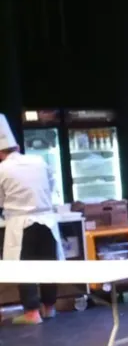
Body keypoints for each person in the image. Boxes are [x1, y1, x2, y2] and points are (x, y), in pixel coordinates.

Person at [0, 115, 63, 325]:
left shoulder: (2, 169)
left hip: (21, 223)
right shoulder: (39, 161)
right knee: (48, 266)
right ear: (16, 146)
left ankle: (32, 313)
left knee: (24, 267)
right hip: (47, 221)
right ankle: (49, 307)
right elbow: (52, 185)